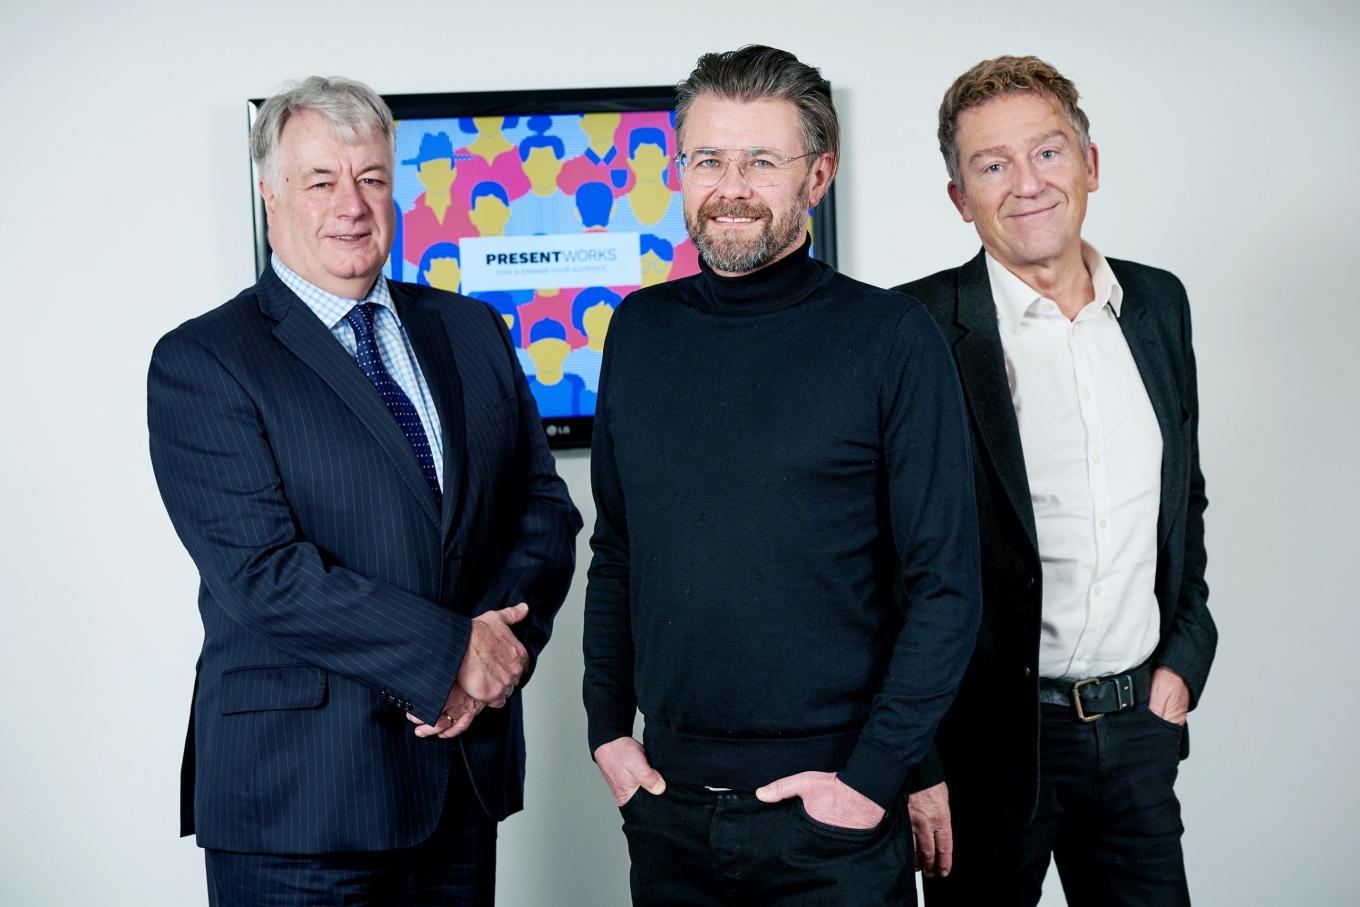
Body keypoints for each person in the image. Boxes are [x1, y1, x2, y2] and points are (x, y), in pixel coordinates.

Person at [147, 76, 581, 905]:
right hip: (299, 807)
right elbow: (266, 573)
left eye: (372, 178)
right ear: (270, 194)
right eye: (320, 181)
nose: (351, 204)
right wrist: (453, 652)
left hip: (458, 787)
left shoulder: (470, 328)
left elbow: (543, 509)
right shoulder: (204, 361)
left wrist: (497, 652)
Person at [583, 45, 982, 906]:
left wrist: (872, 779)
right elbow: (616, 548)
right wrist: (607, 729)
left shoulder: (892, 339)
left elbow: (946, 587)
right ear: (678, 169)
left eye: (762, 160)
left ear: (818, 175)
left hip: (832, 826)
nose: (731, 186)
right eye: (708, 160)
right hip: (667, 811)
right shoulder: (639, 330)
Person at [894, 55, 1216, 906]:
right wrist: (916, 760)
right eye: (992, 164)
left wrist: (1186, 652)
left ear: (1090, 165)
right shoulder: (914, 329)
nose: (1027, 183)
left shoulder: (1158, 304)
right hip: (984, 745)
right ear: (961, 198)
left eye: (1048, 152)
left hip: (1138, 727)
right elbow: (876, 559)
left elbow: (1182, 497)